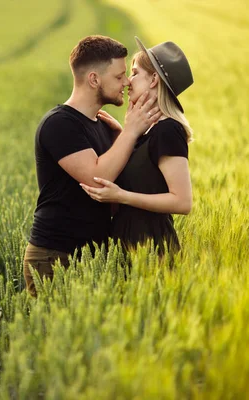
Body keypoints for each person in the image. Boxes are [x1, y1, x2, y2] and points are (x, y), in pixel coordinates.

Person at [23, 35, 161, 297]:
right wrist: (131, 131)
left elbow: (117, 186)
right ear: (94, 79)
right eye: (120, 76)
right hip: (55, 257)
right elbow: (97, 180)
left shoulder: (103, 126)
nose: (127, 82)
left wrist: (122, 134)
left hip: (93, 256)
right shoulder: (60, 124)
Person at [81, 37, 194, 257]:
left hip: (152, 250)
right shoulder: (148, 132)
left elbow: (182, 202)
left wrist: (121, 196)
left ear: (153, 79)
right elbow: (146, 176)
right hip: (129, 245)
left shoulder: (168, 130)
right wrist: (124, 135)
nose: (127, 81)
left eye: (134, 73)